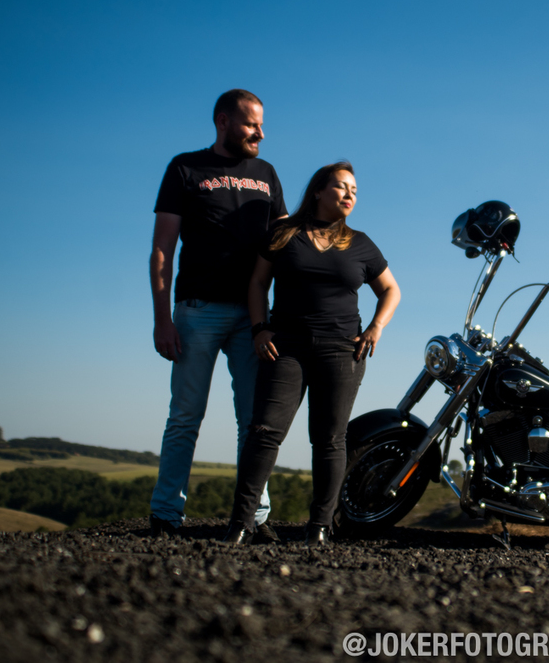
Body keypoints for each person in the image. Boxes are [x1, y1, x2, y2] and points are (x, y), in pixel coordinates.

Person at [223, 161, 401, 547]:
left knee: (330, 439)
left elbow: (391, 289)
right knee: (264, 432)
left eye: (355, 190)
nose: (350, 194)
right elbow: (257, 282)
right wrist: (259, 327)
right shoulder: (284, 233)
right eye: (341, 186)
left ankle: (320, 526)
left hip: (342, 351)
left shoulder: (361, 243)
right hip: (286, 347)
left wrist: (376, 326)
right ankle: (241, 523)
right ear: (318, 191)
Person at [149, 89, 287, 537]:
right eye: (251, 124)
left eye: (261, 125)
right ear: (223, 122)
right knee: (185, 417)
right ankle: (166, 514)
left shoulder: (266, 174)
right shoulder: (185, 168)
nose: (260, 133)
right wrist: (162, 318)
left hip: (253, 318)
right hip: (197, 312)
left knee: (255, 422)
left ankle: (256, 517)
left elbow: (285, 245)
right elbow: (162, 249)